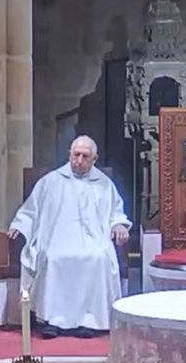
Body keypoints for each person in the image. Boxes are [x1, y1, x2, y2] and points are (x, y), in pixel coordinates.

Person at [9, 135, 131, 339]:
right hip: (57, 237)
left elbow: (115, 212)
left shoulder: (104, 184)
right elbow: (32, 210)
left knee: (98, 259)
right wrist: (20, 225)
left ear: (94, 159)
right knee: (53, 258)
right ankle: (51, 321)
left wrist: (119, 224)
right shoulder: (51, 181)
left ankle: (89, 321)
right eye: (76, 155)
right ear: (69, 155)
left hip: (94, 240)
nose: (80, 160)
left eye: (85, 156)